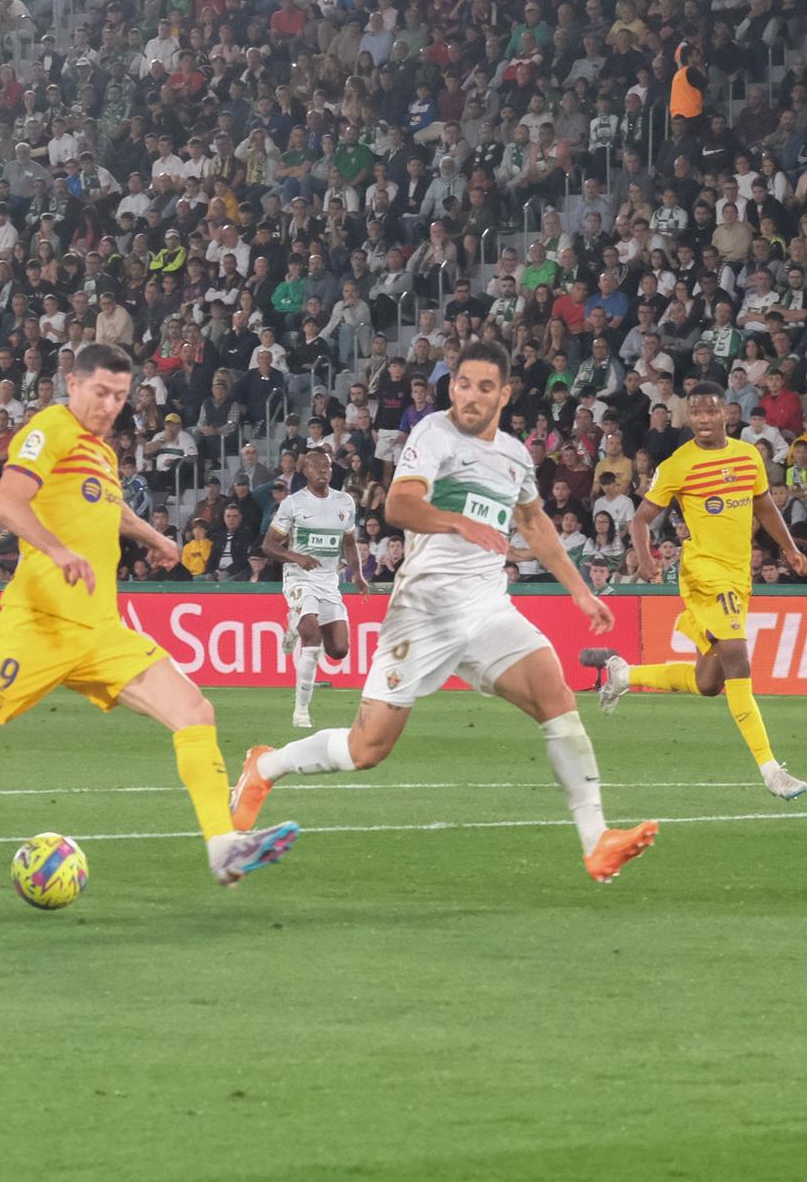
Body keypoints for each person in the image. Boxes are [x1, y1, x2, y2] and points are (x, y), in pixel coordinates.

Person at [0, 343, 302, 887]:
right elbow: (6, 502)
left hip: (100, 630)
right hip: (37, 626)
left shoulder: (99, 451)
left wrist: (154, 538)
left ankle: (223, 846)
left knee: (195, 713)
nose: (110, 406)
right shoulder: (48, 429)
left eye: (121, 397)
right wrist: (55, 550)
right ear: (72, 384)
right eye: (101, 392)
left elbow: (107, 504)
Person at [229, 341, 659, 884]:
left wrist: (578, 590)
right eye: (463, 384)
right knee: (367, 749)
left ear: (505, 392)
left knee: (558, 701)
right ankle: (265, 766)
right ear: (450, 386)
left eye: (485, 387)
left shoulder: (513, 455)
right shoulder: (435, 433)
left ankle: (597, 841)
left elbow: (533, 524)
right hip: (424, 610)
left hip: (486, 608)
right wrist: (456, 522)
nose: (471, 396)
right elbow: (398, 506)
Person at [585, 381, 807, 800]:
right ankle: (769, 768)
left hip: (738, 573)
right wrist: (647, 556)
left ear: (726, 411)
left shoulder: (747, 457)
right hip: (704, 572)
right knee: (737, 657)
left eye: (711, 411)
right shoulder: (677, 464)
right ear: (688, 416)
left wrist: (790, 547)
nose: (704, 419)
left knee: (709, 682)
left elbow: (764, 505)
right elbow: (640, 519)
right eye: (697, 412)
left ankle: (624, 674)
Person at [262, 448, 366, 729]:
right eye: (317, 466)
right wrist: (296, 556)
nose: (323, 470)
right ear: (304, 471)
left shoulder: (344, 502)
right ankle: (301, 712)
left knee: (339, 650)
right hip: (299, 578)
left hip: (329, 582)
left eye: (327, 466)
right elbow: (268, 546)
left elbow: (348, 543)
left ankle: (293, 624)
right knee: (312, 638)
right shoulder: (293, 504)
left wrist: (357, 574)